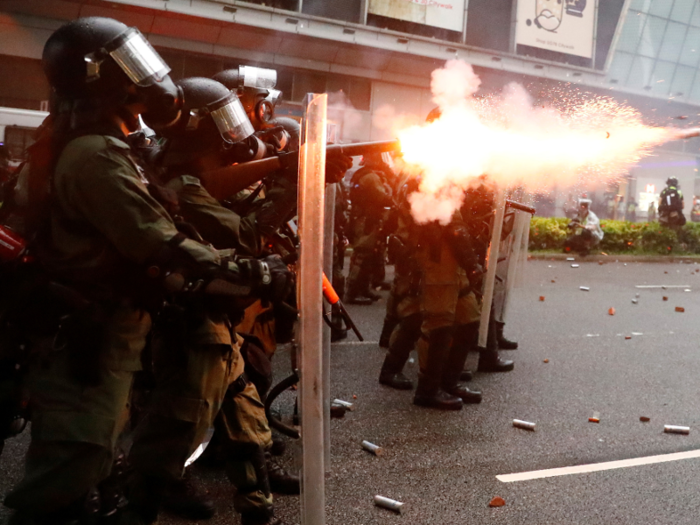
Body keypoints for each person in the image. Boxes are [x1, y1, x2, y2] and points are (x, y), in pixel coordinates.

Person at [3, 17, 292, 525]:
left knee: (92, 462)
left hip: (100, 333)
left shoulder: (94, 145)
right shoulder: (94, 154)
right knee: (68, 475)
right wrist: (252, 269)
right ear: (98, 75)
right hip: (87, 337)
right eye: (131, 61)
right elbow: (159, 241)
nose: (149, 75)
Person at [346, 152, 394, 305]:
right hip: (367, 220)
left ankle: (362, 289)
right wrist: (388, 190)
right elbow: (383, 197)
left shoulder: (360, 174)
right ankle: (353, 293)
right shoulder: (372, 177)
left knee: (365, 256)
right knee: (363, 256)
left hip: (361, 218)